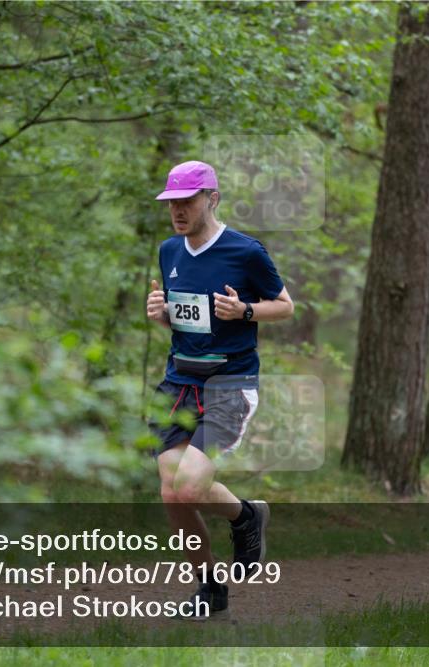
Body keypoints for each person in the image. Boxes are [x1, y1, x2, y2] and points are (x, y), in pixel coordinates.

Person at [145, 160, 294, 620]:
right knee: (173, 493)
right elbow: (187, 319)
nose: (177, 210)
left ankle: (245, 516)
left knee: (188, 488)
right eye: (172, 202)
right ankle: (211, 588)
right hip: (179, 383)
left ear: (212, 198)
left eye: (186, 200)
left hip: (230, 384)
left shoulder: (245, 252)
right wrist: (161, 313)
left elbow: (285, 307)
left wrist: (245, 311)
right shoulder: (169, 251)